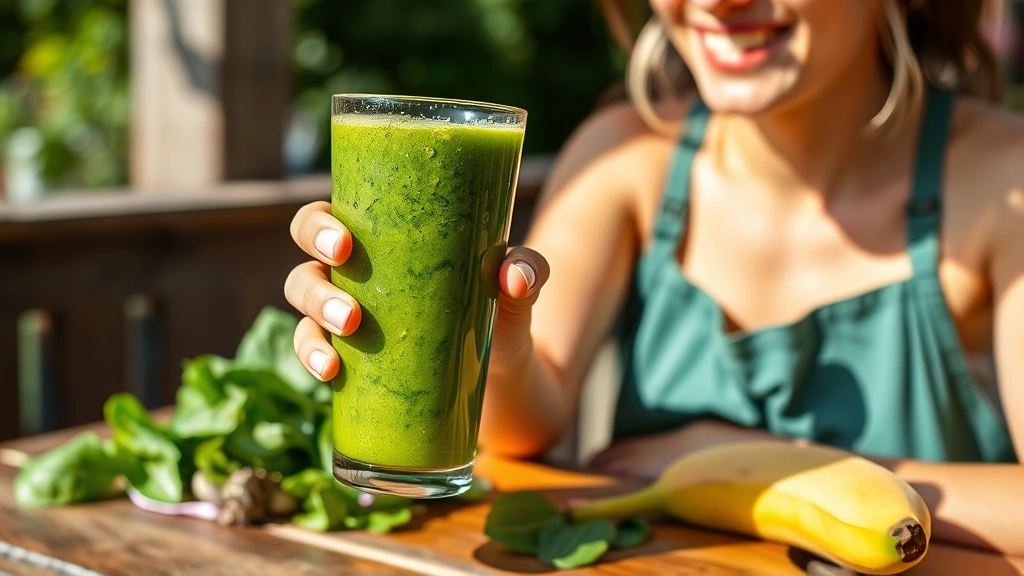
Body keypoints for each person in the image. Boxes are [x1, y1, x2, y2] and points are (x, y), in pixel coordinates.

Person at [284, 0, 1024, 555]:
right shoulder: (626, 160)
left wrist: (767, 466)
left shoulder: (1004, 183)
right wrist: (494, 347)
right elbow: (520, 427)